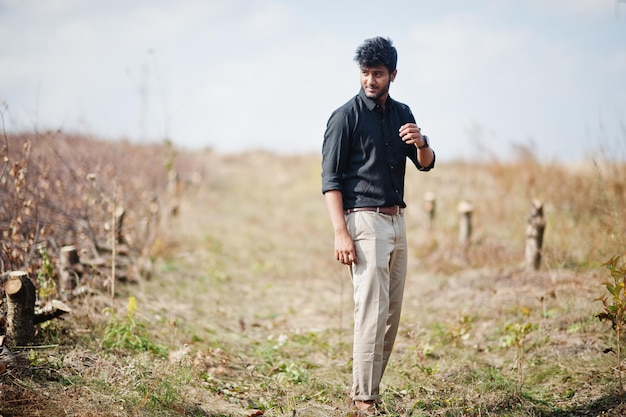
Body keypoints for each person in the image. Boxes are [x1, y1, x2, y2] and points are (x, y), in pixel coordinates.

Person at [321, 36, 435, 415]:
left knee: (391, 313)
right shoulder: (345, 117)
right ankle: (365, 400)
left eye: (378, 73)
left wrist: (421, 142)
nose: (371, 80)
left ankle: (364, 392)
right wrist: (341, 232)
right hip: (363, 221)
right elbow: (331, 180)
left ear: (393, 75)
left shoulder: (403, 113)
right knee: (370, 310)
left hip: (397, 221)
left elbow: (426, 163)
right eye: (366, 73)